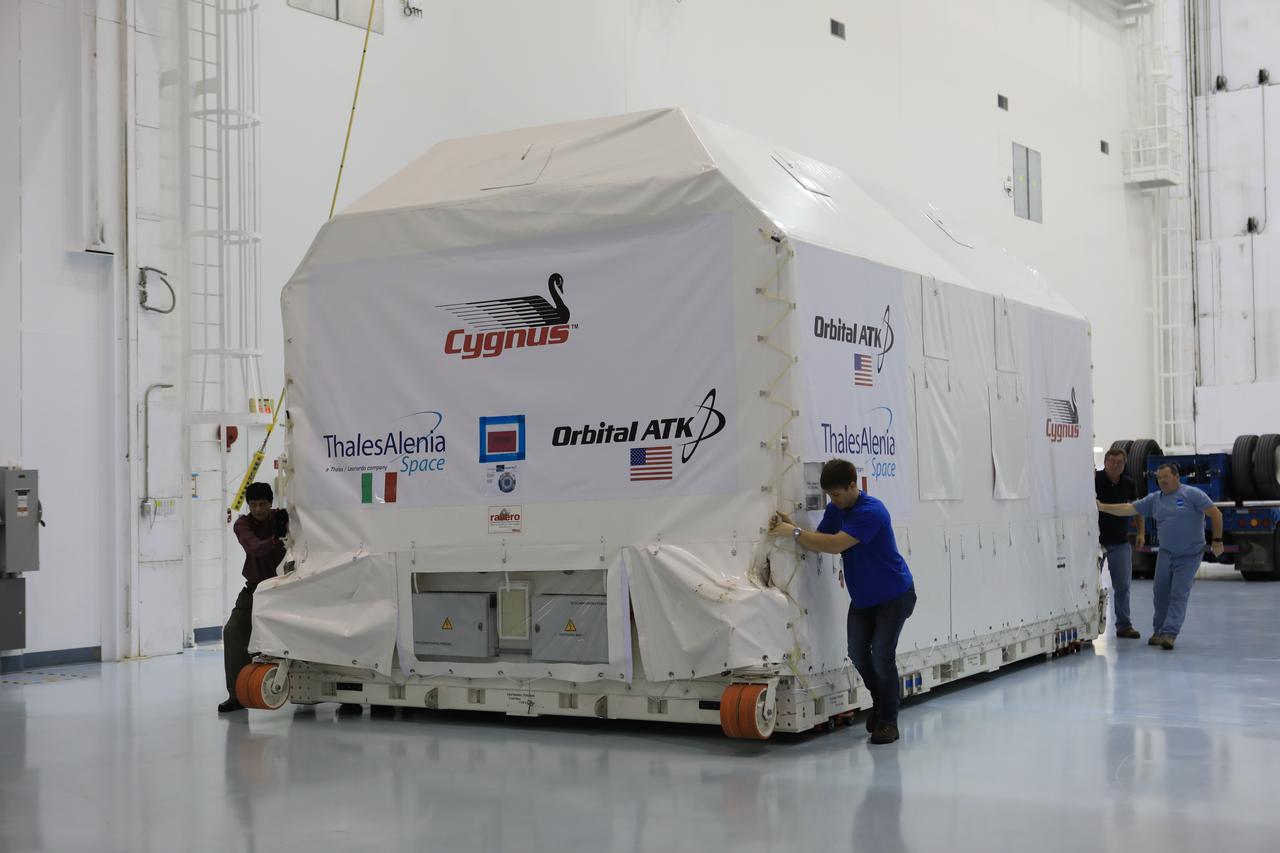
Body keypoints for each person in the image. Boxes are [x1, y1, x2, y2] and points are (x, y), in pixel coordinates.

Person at [768, 459, 916, 744]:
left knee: (882, 655)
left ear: (853, 486)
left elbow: (835, 545)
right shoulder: (837, 509)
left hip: (894, 595)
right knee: (858, 654)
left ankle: (889, 720)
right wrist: (793, 526)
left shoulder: (872, 511)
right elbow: (821, 538)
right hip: (864, 598)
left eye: (836, 494)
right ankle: (881, 702)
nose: (832, 500)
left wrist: (795, 533)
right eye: (829, 496)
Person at [1097, 462, 1223, 650]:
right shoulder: (1155, 499)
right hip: (1166, 553)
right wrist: (1102, 507)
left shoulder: (1192, 495)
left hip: (1189, 555)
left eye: (1165, 476)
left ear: (1176, 477)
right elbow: (1128, 509)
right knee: (1160, 593)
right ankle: (1159, 631)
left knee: (1178, 594)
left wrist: (1217, 540)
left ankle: (1169, 634)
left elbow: (1215, 513)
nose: (1162, 480)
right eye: (1159, 477)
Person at [219, 482, 288, 713]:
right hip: (256, 590)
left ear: (271, 503)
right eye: (253, 505)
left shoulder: (283, 518)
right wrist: (276, 539)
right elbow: (255, 548)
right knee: (233, 631)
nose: (258, 509)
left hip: (288, 590)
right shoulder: (242, 524)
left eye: (262, 504)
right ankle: (237, 695)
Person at [1095, 449, 1144, 639]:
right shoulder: (1094, 480)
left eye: (1120, 463)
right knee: (1089, 585)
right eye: (1112, 461)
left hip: (1120, 542)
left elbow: (1137, 508)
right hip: (1095, 543)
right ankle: (1087, 625)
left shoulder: (1129, 484)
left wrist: (1141, 532)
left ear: (1124, 465)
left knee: (1123, 586)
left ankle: (1124, 626)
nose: (1116, 465)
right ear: (1105, 462)